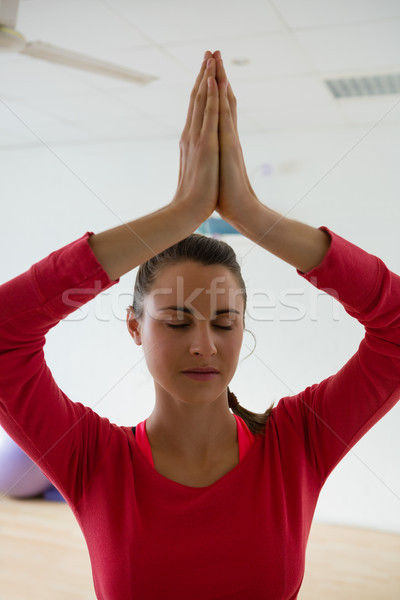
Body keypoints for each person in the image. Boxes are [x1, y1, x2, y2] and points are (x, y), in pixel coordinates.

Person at [0, 50, 399, 600]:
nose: (204, 346)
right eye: (177, 322)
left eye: (224, 322)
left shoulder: (297, 444)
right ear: (135, 327)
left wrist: (252, 215)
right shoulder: (92, 458)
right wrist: (181, 212)